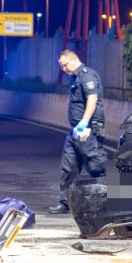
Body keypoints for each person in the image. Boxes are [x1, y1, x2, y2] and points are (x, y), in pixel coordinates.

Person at [47, 49, 106, 214]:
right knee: (68, 167)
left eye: (64, 65)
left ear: (73, 60)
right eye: (61, 67)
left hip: (88, 129)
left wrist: (85, 122)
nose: (63, 69)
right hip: (76, 131)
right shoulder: (76, 78)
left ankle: (104, 203)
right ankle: (66, 202)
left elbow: (92, 99)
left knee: (95, 166)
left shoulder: (87, 76)